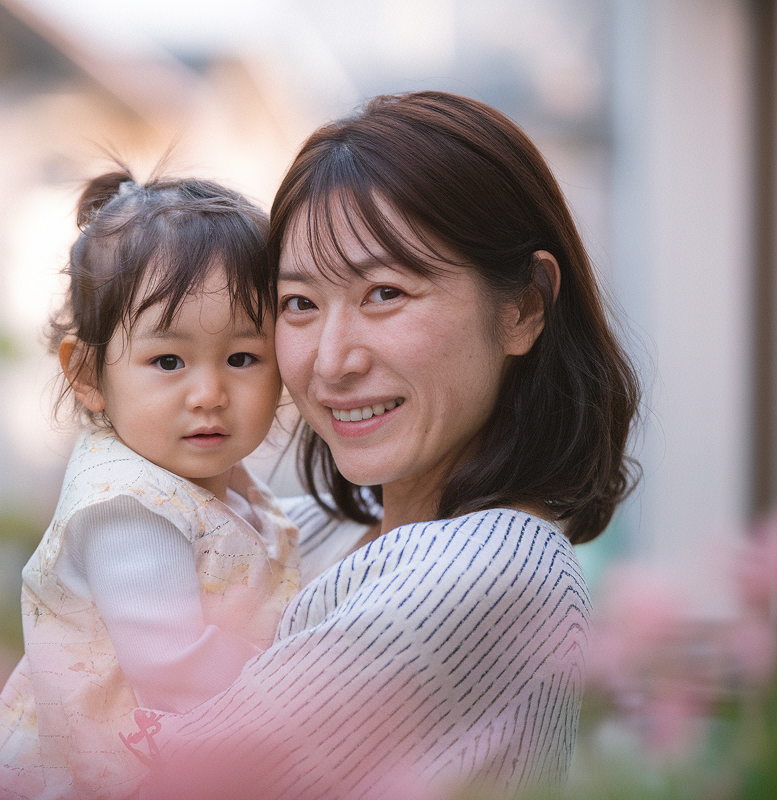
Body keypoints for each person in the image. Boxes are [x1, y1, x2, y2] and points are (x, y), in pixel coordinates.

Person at [126, 91, 640, 799]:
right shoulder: (308, 529)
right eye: (299, 303)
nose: (332, 361)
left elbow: (159, 780)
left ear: (523, 307)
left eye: (386, 293)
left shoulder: (497, 566)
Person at [0, 171, 300, 800]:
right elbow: (178, 675)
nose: (209, 394)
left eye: (242, 358)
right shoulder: (128, 511)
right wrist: (303, 695)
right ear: (89, 374)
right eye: (168, 361)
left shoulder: (201, 479)